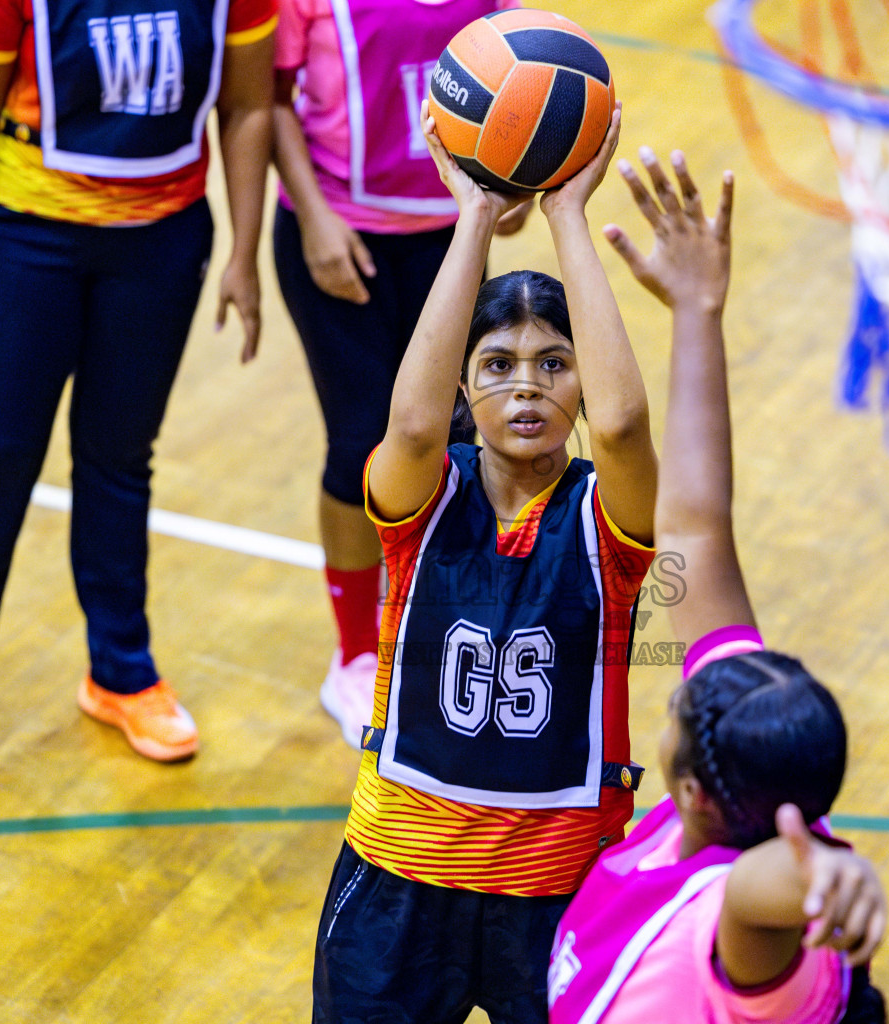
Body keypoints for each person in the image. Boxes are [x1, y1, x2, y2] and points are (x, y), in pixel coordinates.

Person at [311, 104, 656, 1023]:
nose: (528, 385)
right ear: (466, 384)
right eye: (498, 365)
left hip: (558, 893)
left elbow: (623, 425)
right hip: (397, 880)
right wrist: (473, 213)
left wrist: (568, 216)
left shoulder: (604, 519)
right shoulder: (418, 499)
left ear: (581, 383)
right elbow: (415, 422)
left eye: (554, 365)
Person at [0, 0, 275, 781]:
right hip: (26, 242)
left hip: (160, 245)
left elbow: (248, 108)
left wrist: (243, 251)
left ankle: (120, 671)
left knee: (120, 459)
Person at [546, 150, 889, 1024]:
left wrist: (832, 877)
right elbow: (694, 526)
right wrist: (697, 311)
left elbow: (762, 891)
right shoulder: (729, 796)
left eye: (678, 714)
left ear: (693, 790)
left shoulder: (742, 936)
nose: (682, 693)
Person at [269, 0, 528, 748]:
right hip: (340, 240)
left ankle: (439, 629)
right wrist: (314, 218)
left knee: (459, 442)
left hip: (450, 243)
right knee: (360, 442)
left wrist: (510, 191)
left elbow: (516, 88)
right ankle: (353, 656)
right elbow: (271, 101)